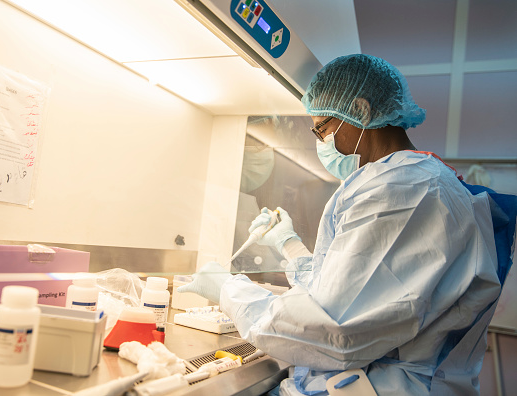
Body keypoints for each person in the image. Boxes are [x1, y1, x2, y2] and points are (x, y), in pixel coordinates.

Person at [179, 54, 516, 395]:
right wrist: (289, 243)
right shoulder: (401, 182)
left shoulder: (404, 190)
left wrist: (229, 291)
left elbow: (334, 328)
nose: (320, 141)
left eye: (322, 128)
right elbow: (350, 288)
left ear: (360, 110)